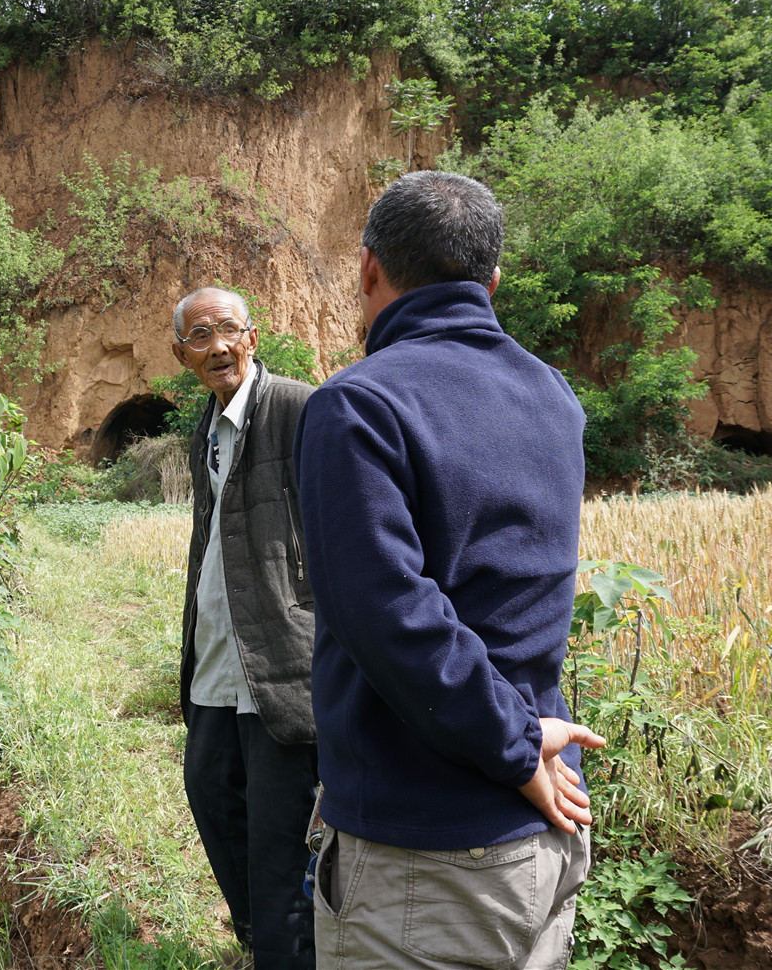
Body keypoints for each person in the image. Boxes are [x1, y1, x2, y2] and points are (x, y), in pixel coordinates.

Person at [292, 171, 606, 970]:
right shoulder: (554, 395)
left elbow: (392, 615)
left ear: (368, 269)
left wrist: (512, 744)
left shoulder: (358, 404)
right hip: (546, 833)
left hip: (425, 866)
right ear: (492, 283)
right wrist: (526, 749)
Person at [172, 286, 320, 970]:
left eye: (228, 329)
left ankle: (290, 953)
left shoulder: (296, 406)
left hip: (280, 661)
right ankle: (263, 942)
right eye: (200, 336)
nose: (218, 346)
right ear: (182, 355)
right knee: (211, 795)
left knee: (277, 839)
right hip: (215, 663)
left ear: (253, 337)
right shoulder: (205, 425)